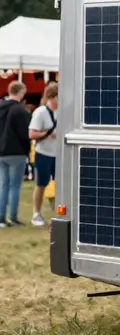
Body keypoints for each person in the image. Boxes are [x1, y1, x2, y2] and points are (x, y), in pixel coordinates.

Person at [0, 81, 32, 227]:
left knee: (3, 185)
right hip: (17, 151)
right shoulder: (19, 110)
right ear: (21, 92)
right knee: (14, 186)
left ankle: (1, 218)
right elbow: (25, 133)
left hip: (1, 151)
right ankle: (13, 216)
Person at [29, 82, 58, 227]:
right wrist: (48, 133)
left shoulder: (62, 112)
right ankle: (36, 213)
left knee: (62, 184)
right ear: (53, 97)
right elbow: (32, 133)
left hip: (58, 154)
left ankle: (60, 213)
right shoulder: (40, 112)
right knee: (41, 184)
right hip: (43, 153)